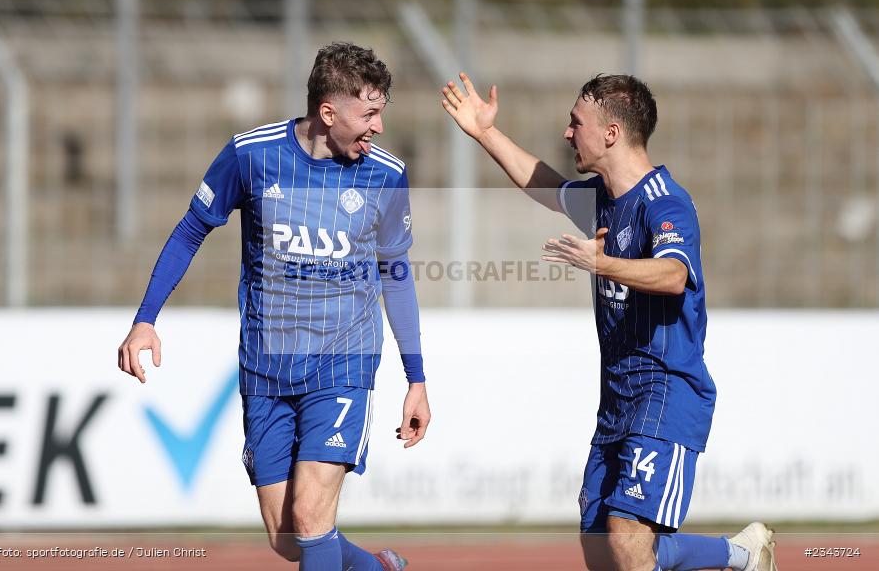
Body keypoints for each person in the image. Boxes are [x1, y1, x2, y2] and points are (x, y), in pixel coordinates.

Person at [441, 72, 777, 571]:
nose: (567, 132)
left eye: (576, 122)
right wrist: (485, 132)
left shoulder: (665, 201)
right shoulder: (604, 198)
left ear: (612, 133)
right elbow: (546, 187)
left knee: (627, 541)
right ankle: (741, 555)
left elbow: (673, 274)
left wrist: (601, 264)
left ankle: (739, 556)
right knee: (603, 551)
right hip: (618, 397)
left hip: (667, 390)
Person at [118, 42, 429, 571]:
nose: (378, 126)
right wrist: (145, 319)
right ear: (328, 114)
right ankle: (378, 569)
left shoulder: (385, 174)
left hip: (343, 364)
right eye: (369, 113)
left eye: (382, 112)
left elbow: (394, 275)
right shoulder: (251, 154)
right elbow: (192, 229)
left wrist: (415, 377)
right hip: (266, 367)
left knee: (310, 519)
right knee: (289, 538)